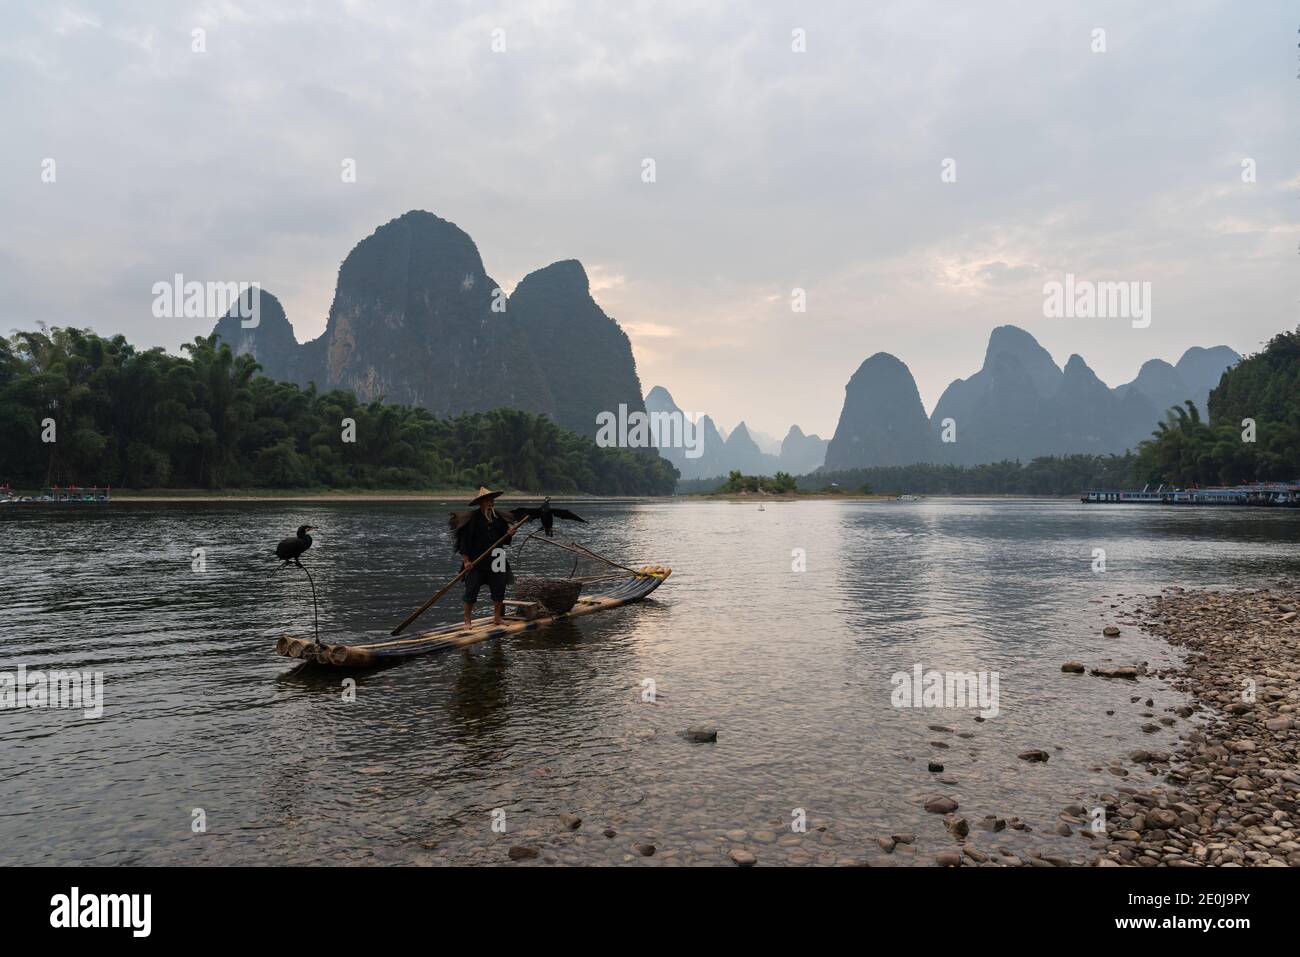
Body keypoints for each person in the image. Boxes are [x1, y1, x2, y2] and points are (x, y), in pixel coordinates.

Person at [452, 486, 515, 626]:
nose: (491, 503)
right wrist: (466, 561)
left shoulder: (498, 518)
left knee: (499, 588)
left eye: (492, 500)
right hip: (476, 559)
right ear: (481, 502)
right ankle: (467, 620)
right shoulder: (472, 519)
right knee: (471, 589)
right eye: (488, 501)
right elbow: (465, 541)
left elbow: (504, 540)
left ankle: (497, 618)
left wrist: (509, 535)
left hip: (497, 557)